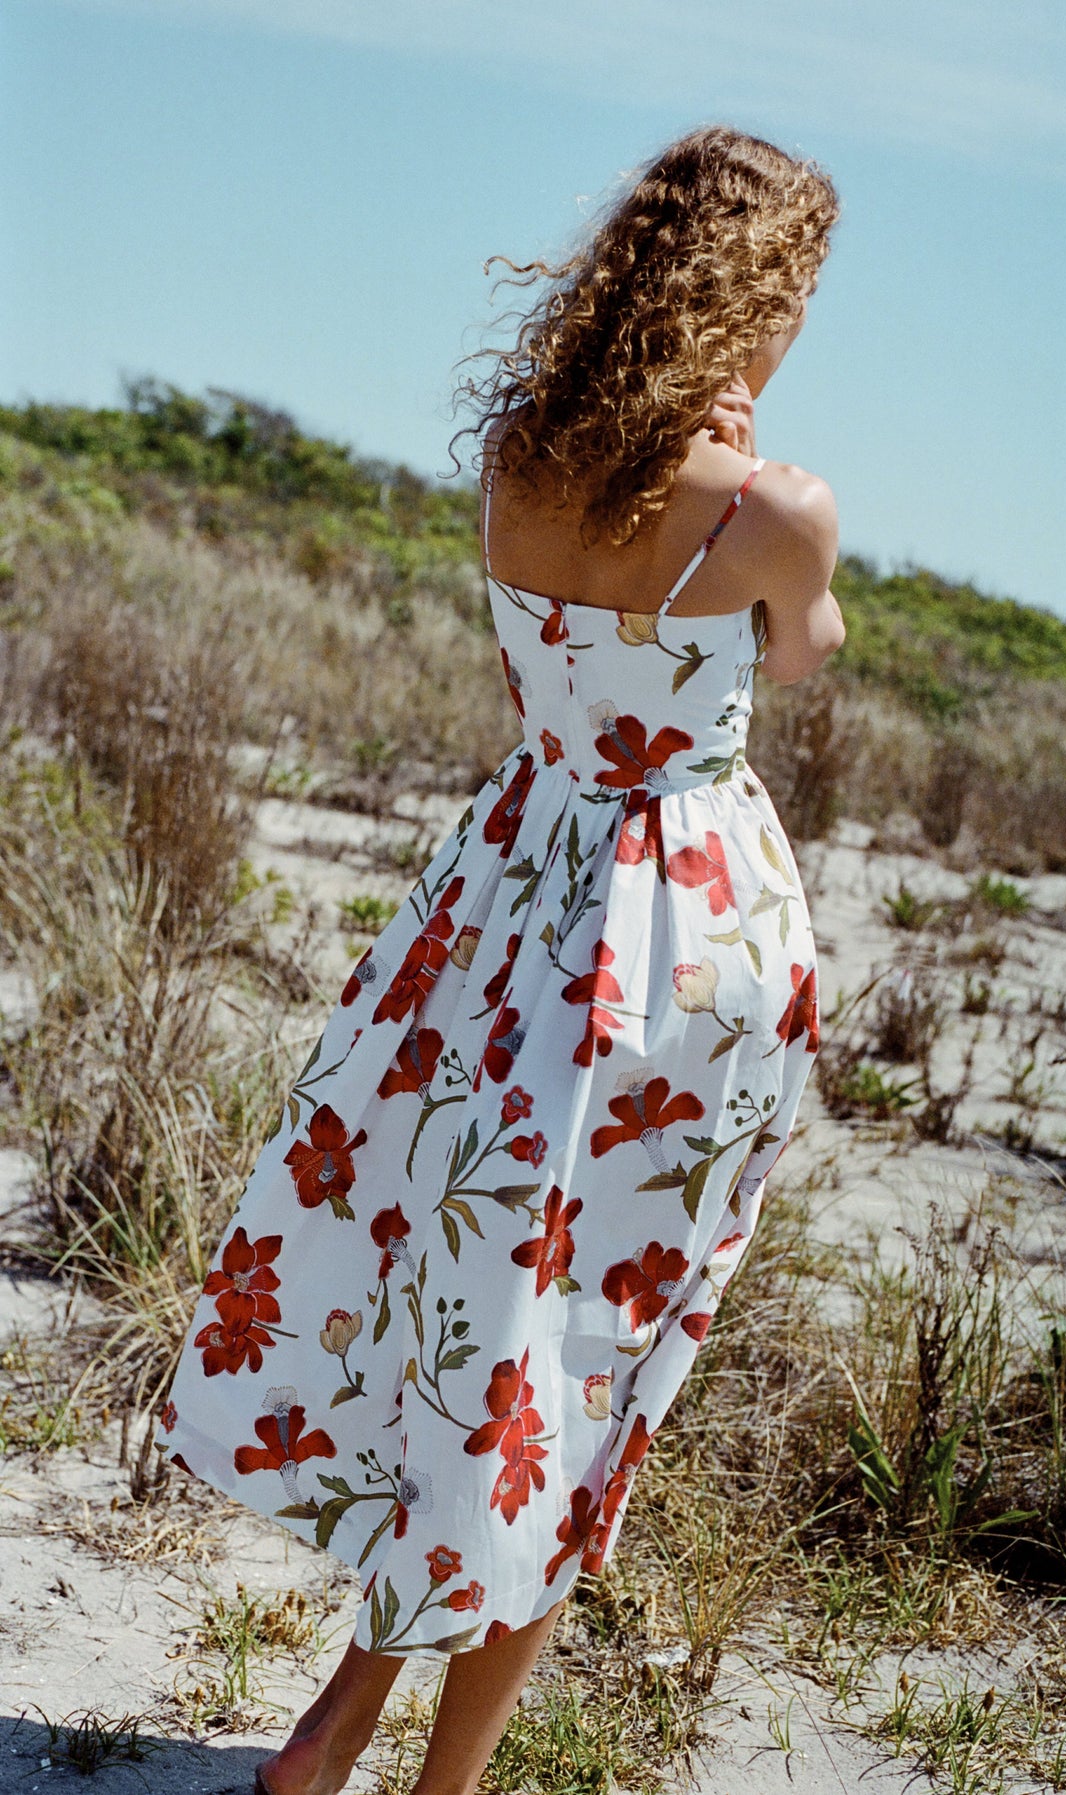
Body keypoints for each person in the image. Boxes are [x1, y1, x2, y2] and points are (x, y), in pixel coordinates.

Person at [154, 122, 844, 1795]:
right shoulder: (772, 511)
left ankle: (336, 1731)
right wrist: (751, 466)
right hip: (675, 954)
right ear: (758, 296)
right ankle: (440, 1785)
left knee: (482, 1335)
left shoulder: (521, 456)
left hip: (505, 911)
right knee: (577, 1379)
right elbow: (803, 663)